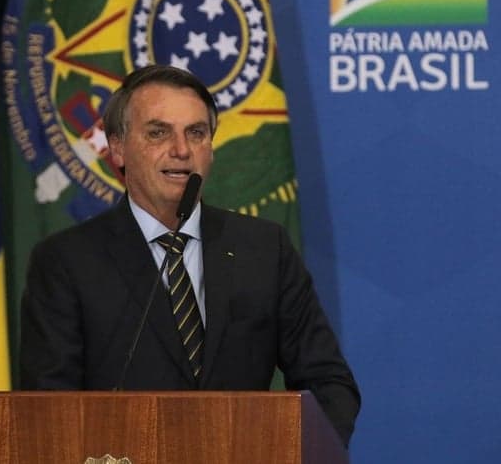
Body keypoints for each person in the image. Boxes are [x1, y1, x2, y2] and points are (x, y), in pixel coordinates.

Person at [20, 65, 360, 444]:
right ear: (117, 148)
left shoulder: (263, 249)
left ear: (210, 149)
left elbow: (329, 384)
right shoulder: (66, 262)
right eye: (158, 132)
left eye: (196, 133)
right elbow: (48, 410)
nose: (181, 150)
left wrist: (279, 451)